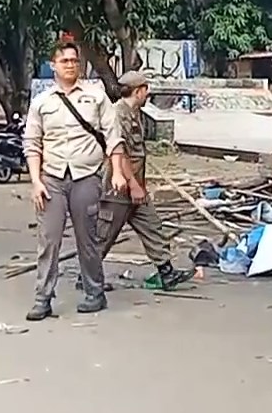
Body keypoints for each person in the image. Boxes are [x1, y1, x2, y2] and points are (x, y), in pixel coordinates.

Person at [23, 41, 126, 321]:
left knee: (87, 238)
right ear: (53, 65)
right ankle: (42, 298)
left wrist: (116, 171)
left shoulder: (96, 96)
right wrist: (36, 181)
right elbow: (33, 144)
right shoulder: (42, 102)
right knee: (49, 240)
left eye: (73, 60)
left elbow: (113, 137)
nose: (70, 65)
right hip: (52, 178)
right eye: (64, 61)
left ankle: (95, 293)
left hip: (86, 176)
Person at [95, 71, 194, 291]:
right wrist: (133, 185)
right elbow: (121, 154)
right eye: (146, 90)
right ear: (139, 91)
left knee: (152, 226)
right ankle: (88, 277)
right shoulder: (118, 115)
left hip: (137, 187)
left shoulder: (134, 113)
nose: (147, 95)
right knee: (105, 234)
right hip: (119, 187)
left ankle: (166, 272)